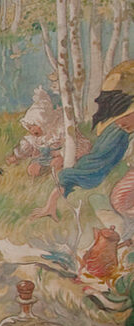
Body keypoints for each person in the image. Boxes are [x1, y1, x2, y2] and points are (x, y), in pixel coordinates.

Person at [31, 60, 134, 221]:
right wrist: (53, 200)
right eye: (116, 117)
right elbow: (94, 164)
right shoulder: (117, 132)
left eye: (124, 115)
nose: (119, 121)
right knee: (119, 201)